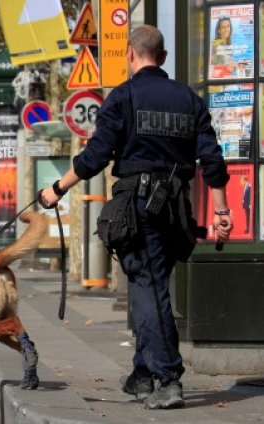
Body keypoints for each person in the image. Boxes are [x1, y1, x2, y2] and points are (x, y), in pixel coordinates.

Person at [40, 25, 233, 410]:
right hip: (177, 205)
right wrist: (223, 211)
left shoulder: (124, 97)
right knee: (155, 284)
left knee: (148, 289)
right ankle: (143, 374)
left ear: (130, 54)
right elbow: (212, 160)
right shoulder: (188, 100)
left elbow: (95, 157)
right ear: (161, 58)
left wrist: (56, 189)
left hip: (138, 203)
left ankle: (167, 378)